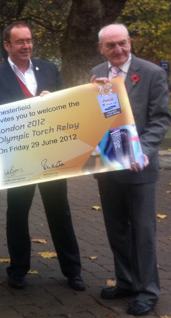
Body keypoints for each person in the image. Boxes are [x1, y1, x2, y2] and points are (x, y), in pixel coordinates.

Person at [0, 21, 85, 291]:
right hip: (19, 158)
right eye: (20, 42)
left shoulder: (48, 69)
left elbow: (66, 106)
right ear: (7, 46)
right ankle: (18, 269)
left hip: (51, 153)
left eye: (29, 40)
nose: (26, 45)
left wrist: (55, 100)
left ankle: (73, 270)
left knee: (59, 211)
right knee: (17, 213)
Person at [90, 23, 170, 316]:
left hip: (140, 169)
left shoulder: (152, 73)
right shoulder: (96, 73)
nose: (118, 50)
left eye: (122, 43)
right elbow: (94, 119)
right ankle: (125, 280)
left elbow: (160, 119)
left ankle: (147, 291)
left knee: (143, 232)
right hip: (109, 167)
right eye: (110, 45)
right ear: (101, 48)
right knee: (116, 230)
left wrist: (143, 151)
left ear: (129, 42)